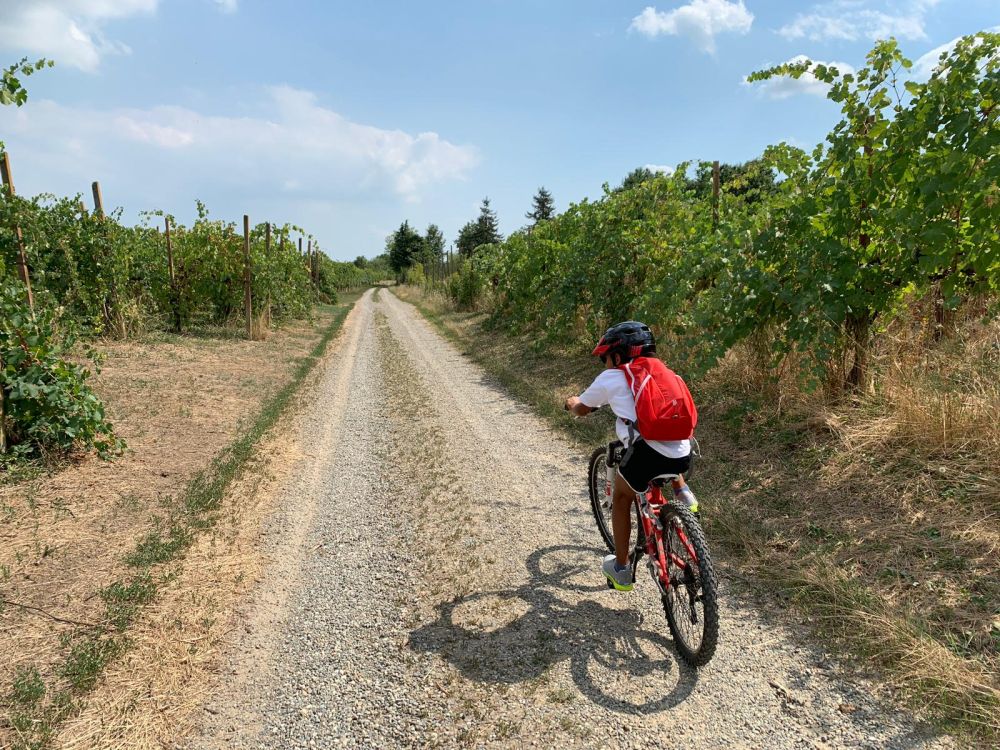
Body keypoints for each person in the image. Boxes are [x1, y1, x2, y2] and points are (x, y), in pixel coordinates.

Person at [564, 321, 698, 592]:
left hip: (647, 455)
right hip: (684, 451)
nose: (605, 364)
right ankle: (683, 493)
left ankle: (622, 569)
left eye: (605, 358)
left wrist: (570, 401)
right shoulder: (668, 374)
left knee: (622, 496)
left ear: (617, 355)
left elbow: (581, 408)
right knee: (665, 449)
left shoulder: (613, 376)